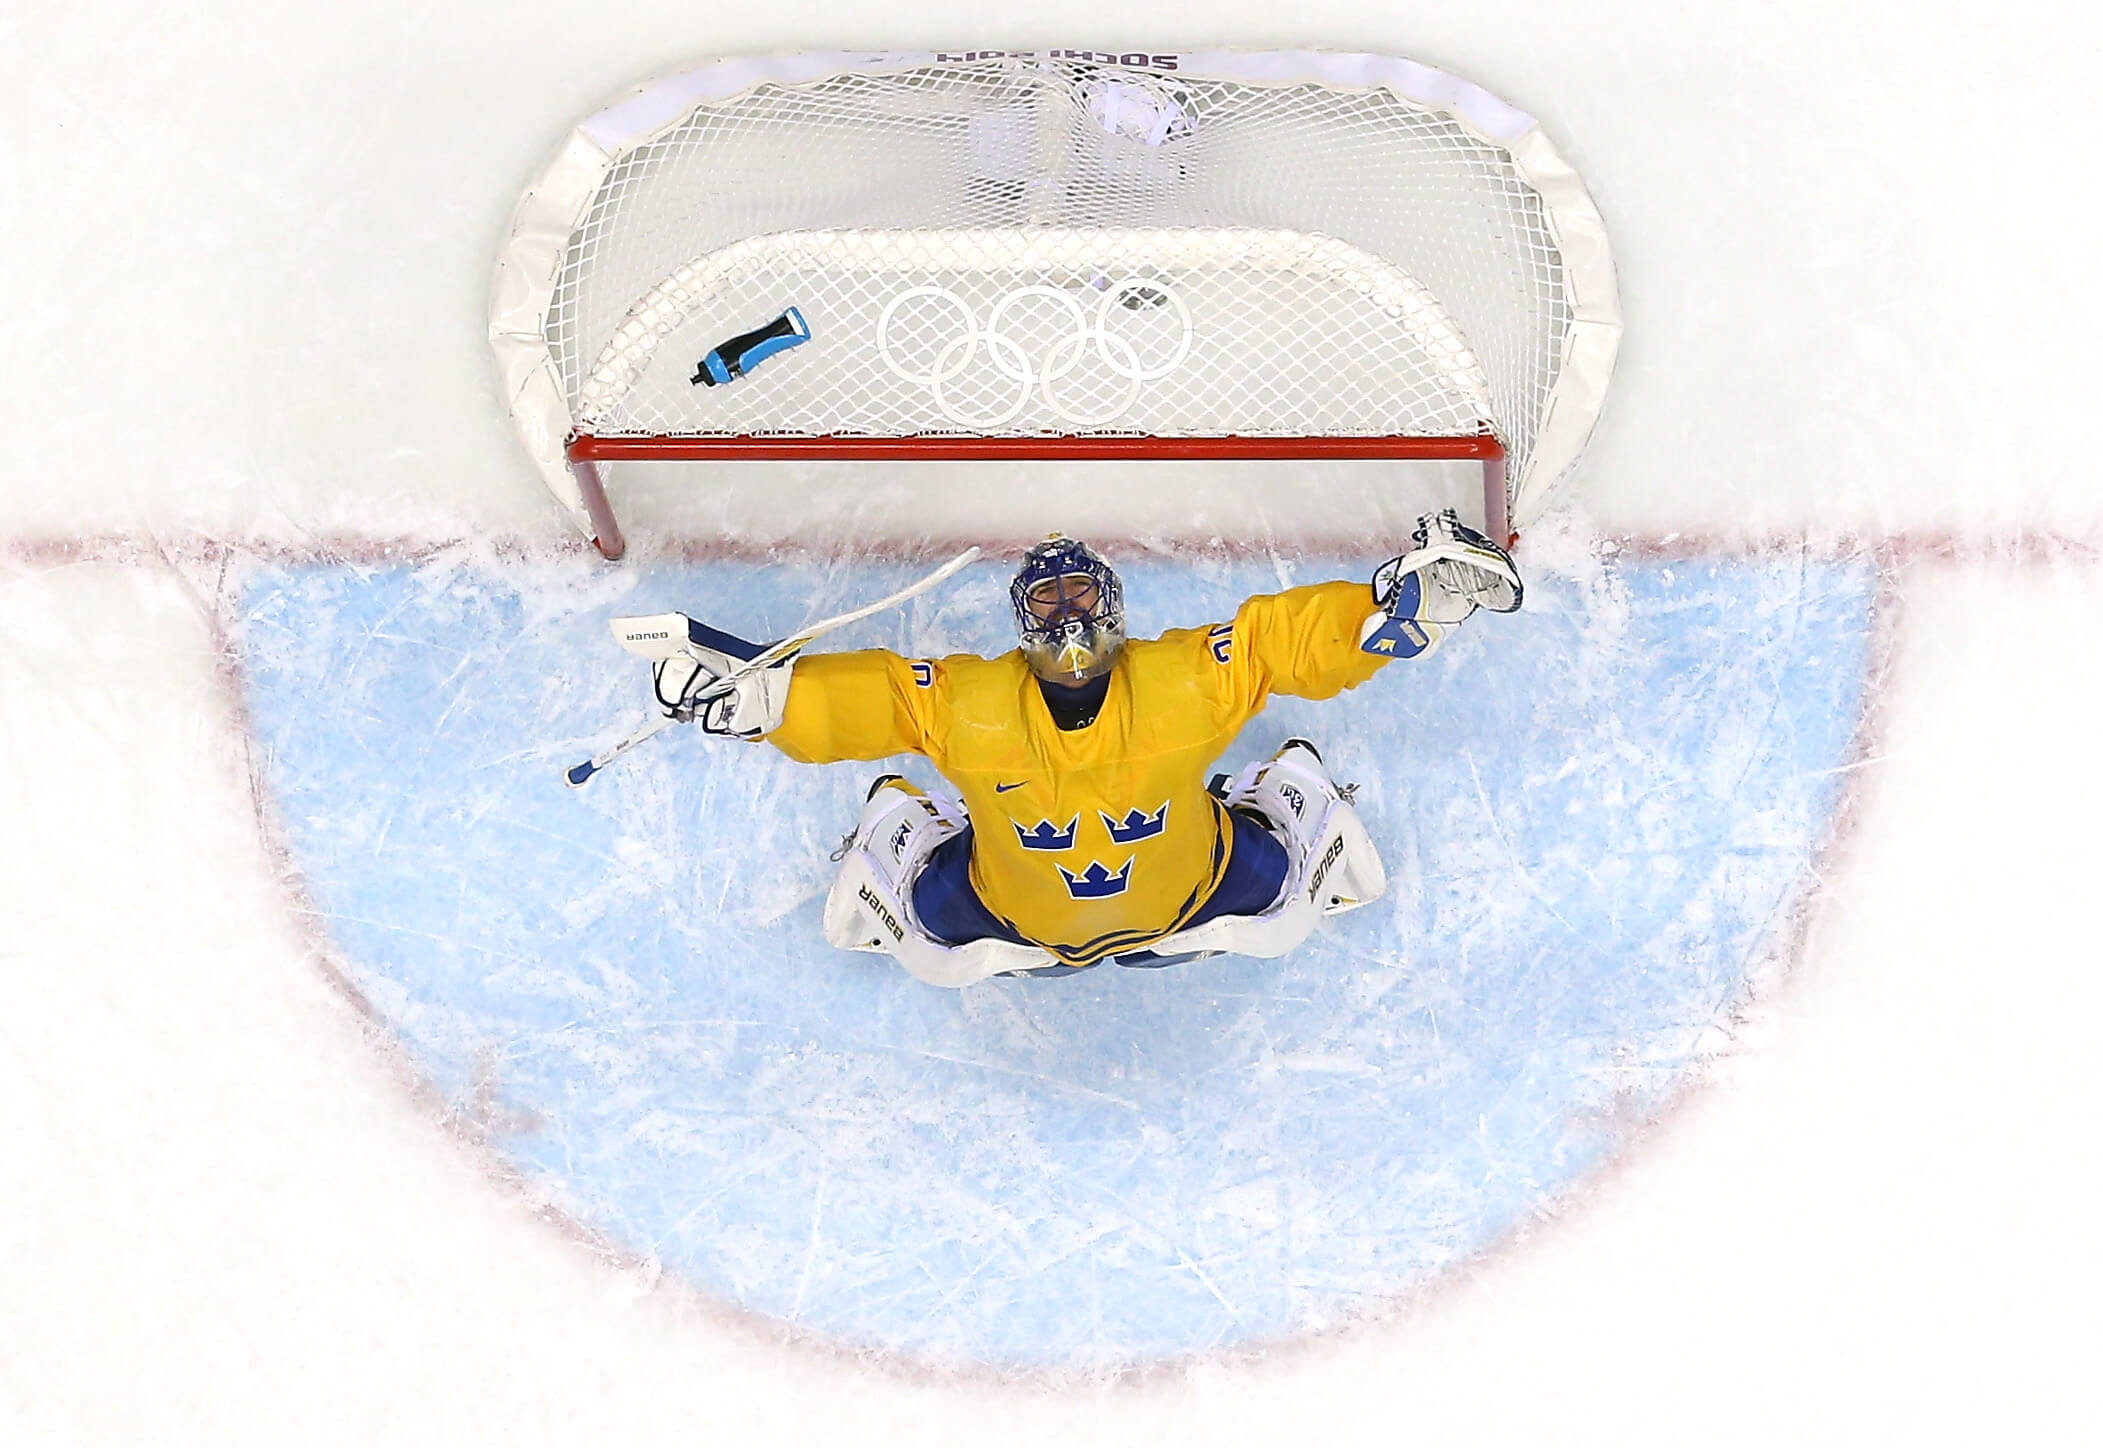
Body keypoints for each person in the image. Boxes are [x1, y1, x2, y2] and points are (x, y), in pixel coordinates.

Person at [647, 510, 1522, 987]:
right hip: (1198, 893)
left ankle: (897, 887)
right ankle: (1297, 843)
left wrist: (764, 704)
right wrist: (1385, 617)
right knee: (1292, 788)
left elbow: (879, 698)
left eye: (1077, 594)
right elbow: (1274, 645)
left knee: (897, 826)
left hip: (1003, 917)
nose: (1067, 614)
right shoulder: (1185, 683)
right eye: (1051, 600)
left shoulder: (971, 707)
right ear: (1032, 623)